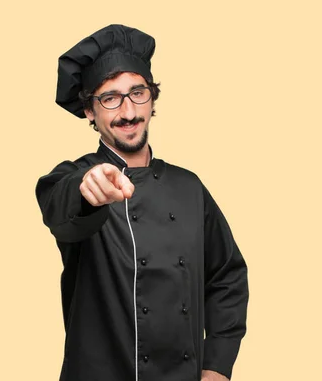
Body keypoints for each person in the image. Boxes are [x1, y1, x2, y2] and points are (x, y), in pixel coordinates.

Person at [34, 24, 249, 381]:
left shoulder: (189, 186)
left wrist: (218, 365)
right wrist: (87, 191)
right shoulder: (72, 178)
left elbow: (227, 275)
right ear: (90, 110)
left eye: (138, 93)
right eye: (110, 97)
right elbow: (61, 208)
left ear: (152, 98)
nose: (129, 111)